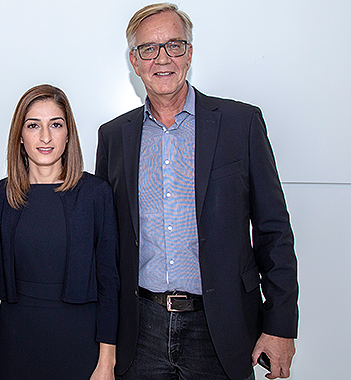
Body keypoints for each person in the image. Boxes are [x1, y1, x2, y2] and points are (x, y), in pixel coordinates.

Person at [95, 3, 298, 380]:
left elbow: (274, 231)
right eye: (149, 49)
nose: (162, 58)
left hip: (221, 329)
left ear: (189, 52)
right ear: (134, 62)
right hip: (140, 331)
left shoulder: (241, 124)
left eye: (174, 44)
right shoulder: (113, 137)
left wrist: (281, 324)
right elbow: (106, 242)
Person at [0, 84, 119, 380]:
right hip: (14, 345)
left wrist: (107, 361)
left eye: (55, 125)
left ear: (68, 134)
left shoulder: (96, 194)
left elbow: (110, 282)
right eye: (33, 125)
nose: (45, 137)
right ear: (19, 136)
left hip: (81, 347)